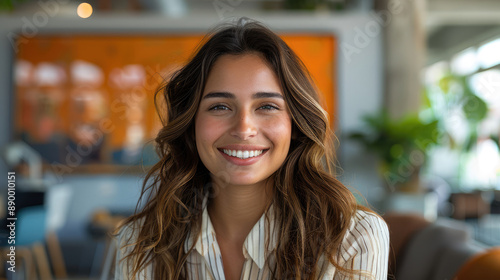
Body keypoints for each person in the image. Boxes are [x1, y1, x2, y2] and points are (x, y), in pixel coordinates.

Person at [113, 18, 389, 280]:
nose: (244, 129)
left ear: (295, 123)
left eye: (267, 106)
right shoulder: (139, 241)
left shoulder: (353, 237)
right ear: (191, 123)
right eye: (219, 107)